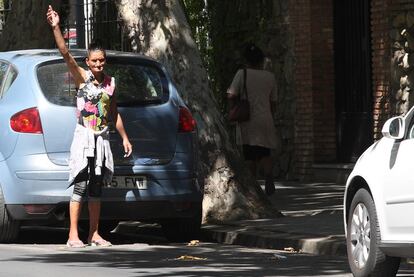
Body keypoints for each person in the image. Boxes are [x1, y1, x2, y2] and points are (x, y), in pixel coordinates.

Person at [46, 5, 133, 248]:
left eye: (102, 61)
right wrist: (56, 27)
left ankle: (94, 234)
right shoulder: (82, 77)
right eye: (94, 61)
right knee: (81, 184)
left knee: (96, 187)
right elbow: (64, 52)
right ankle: (73, 234)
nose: (98, 65)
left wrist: (124, 137)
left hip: (102, 137)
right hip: (84, 137)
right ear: (88, 61)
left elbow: (114, 112)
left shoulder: (110, 84)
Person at [227, 43, 277, 195]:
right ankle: (268, 176)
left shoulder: (242, 74)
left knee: (249, 154)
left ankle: (252, 185)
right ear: (261, 60)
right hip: (266, 118)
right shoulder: (270, 76)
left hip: (248, 119)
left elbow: (231, 94)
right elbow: (274, 101)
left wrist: (233, 109)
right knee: (264, 152)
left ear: (246, 60)